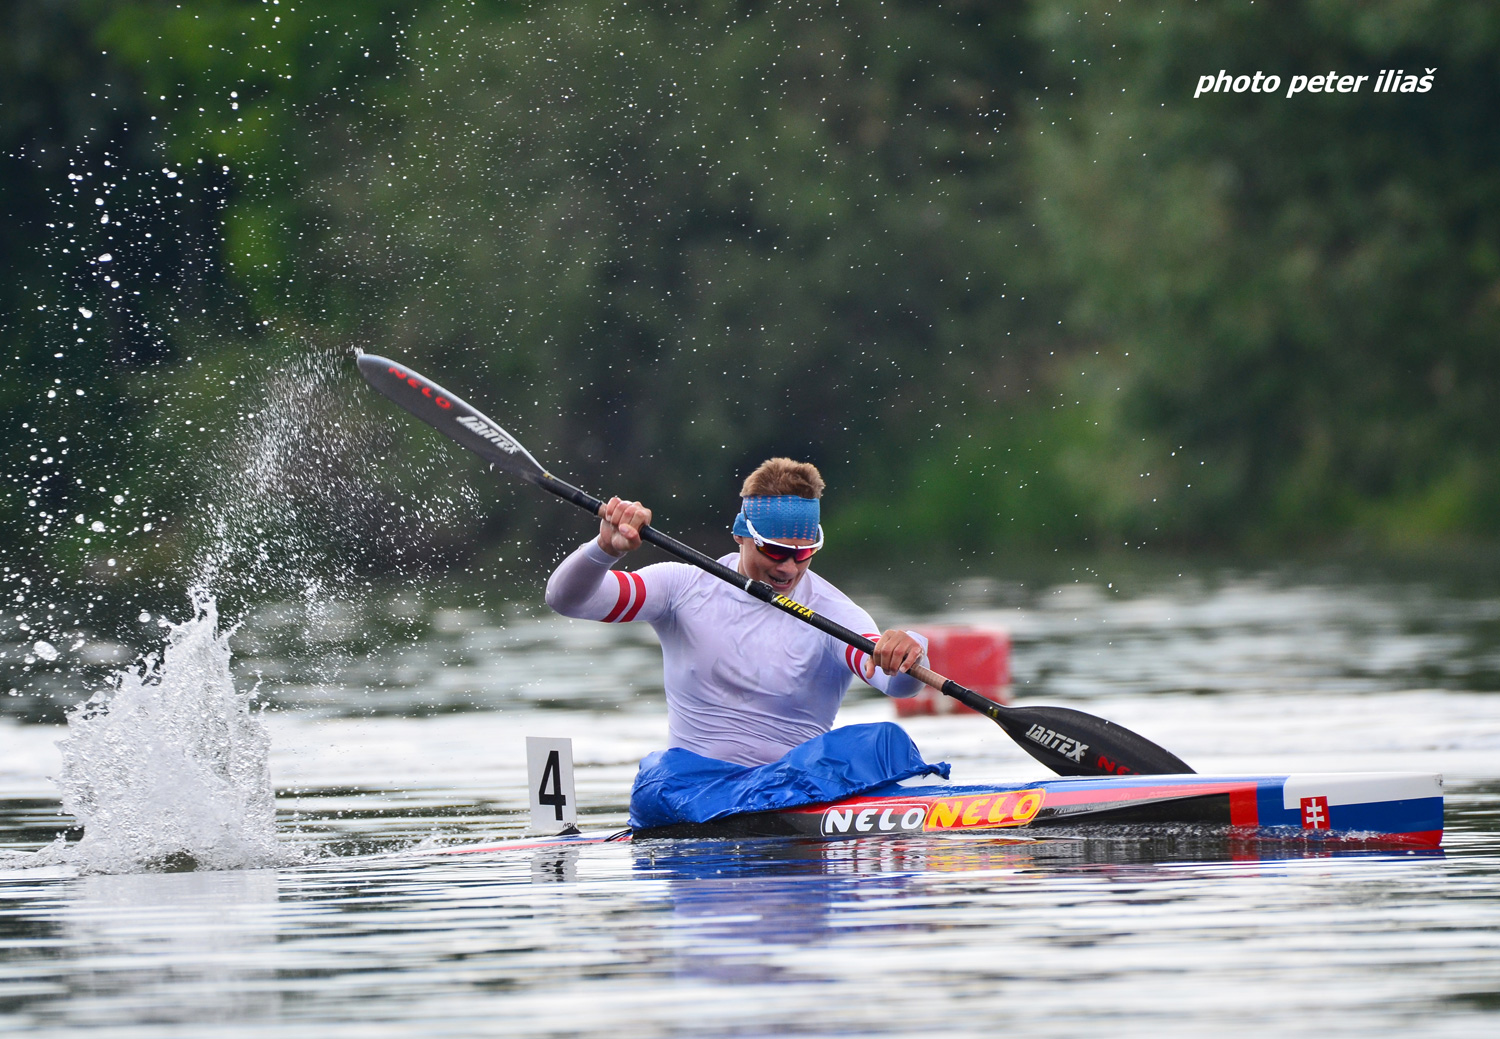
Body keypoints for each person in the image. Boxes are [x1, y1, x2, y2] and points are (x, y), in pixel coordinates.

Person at [545, 458, 946, 827]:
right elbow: (567, 600)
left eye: (803, 553)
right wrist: (604, 550)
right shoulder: (681, 587)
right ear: (741, 533)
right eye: (774, 551)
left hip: (796, 793)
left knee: (884, 740)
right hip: (687, 792)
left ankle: (766, 804)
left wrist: (909, 650)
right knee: (661, 782)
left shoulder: (834, 613)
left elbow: (898, 685)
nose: (788, 568)